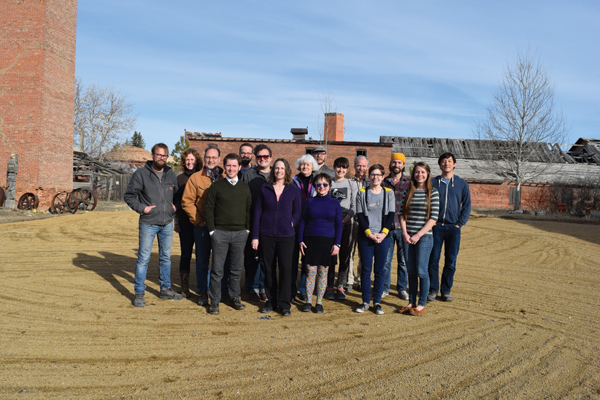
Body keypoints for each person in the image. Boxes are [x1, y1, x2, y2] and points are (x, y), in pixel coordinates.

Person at [124, 143, 183, 307]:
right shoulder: (141, 174)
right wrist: (142, 208)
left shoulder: (171, 174)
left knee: (165, 258)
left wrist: (175, 207)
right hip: (148, 223)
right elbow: (129, 196)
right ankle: (139, 293)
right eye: (159, 155)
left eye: (164, 155)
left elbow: (177, 194)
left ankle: (165, 289)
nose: (161, 158)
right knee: (143, 259)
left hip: (167, 223)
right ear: (152, 155)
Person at [251, 158, 302, 316]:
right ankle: (270, 301)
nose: (279, 171)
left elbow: (298, 210)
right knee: (269, 268)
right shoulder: (265, 188)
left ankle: (284, 303)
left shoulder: (293, 189)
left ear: (286, 170)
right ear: (273, 170)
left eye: (282, 168)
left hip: (287, 236)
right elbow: (258, 212)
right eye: (277, 168)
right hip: (267, 235)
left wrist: (292, 222)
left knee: (286, 269)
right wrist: (255, 236)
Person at [204, 153, 252, 315]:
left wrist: (246, 230)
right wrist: (212, 231)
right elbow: (208, 209)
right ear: (224, 167)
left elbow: (248, 210)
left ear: (239, 167)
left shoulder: (245, 188)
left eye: (234, 166)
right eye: (228, 166)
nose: (231, 169)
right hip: (220, 234)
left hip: (240, 234)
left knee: (236, 269)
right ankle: (215, 301)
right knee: (217, 270)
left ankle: (234, 296)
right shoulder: (217, 187)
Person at [181, 145, 223, 307]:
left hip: (221, 227)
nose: (211, 160)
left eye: (214, 157)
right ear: (204, 159)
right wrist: (198, 220)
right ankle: (203, 292)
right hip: (202, 227)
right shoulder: (195, 178)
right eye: (208, 157)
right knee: (202, 262)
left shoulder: (226, 176)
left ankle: (219, 291)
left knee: (220, 262)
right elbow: (187, 201)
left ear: (219, 159)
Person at [427, 153, 470, 302]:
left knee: (451, 261)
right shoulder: (432, 183)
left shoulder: (461, 183)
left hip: (453, 228)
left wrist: (460, 223)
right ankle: (432, 290)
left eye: (449, 161)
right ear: (439, 165)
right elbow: (426, 204)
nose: (447, 164)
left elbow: (467, 205)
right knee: (433, 259)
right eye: (444, 161)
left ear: (454, 164)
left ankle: (445, 290)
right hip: (435, 227)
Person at [399, 162, 440, 316]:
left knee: (422, 271)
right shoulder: (408, 192)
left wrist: (418, 235)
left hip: (424, 238)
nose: (420, 175)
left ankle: (421, 304)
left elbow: (433, 218)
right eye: (417, 172)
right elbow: (402, 215)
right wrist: (405, 233)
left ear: (428, 174)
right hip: (407, 237)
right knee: (410, 271)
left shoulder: (433, 193)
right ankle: (411, 302)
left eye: (423, 172)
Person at [298, 173, 342, 313]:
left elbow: (339, 225)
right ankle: (308, 301)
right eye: (318, 184)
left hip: (328, 242)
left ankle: (319, 302)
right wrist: (300, 240)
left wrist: (337, 244)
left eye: (325, 184)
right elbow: (303, 221)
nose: (321, 187)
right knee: (311, 272)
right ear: (315, 186)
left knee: (323, 273)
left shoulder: (335, 203)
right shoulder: (309, 202)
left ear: (329, 186)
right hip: (310, 240)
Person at [354, 164, 395, 315]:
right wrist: (369, 233)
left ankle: (377, 302)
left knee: (379, 270)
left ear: (383, 176)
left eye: (378, 175)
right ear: (369, 176)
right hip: (366, 237)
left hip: (383, 237)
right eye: (373, 174)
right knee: (365, 270)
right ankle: (365, 301)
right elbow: (359, 215)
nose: (375, 177)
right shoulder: (362, 193)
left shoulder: (389, 193)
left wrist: (383, 233)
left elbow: (391, 215)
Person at [241, 144, 272, 301]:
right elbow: (243, 199)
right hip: (252, 220)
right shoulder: (248, 175)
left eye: (265, 157)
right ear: (255, 157)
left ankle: (263, 286)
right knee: (251, 256)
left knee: (265, 257)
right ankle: (252, 286)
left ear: (270, 158)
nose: (262, 159)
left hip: (270, 222)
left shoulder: (276, 174)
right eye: (259, 157)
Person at [325, 157, 357, 300]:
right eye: (338, 167)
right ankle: (329, 286)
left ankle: (341, 286)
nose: (340, 170)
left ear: (347, 169)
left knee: (344, 256)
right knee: (331, 256)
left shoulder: (351, 184)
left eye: (344, 168)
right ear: (334, 167)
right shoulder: (328, 182)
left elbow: (354, 206)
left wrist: (344, 221)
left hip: (346, 224)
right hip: (330, 226)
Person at [173, 148, 203, 297]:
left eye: (192, 159)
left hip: (201, 222)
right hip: (185, 222)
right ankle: (184, 286)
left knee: (201, 254)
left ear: (197, 160)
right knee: (186, 254)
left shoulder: (202, 177)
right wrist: (176, 221)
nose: (190, 162)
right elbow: (177, 202)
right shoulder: (179, 179)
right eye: (187, 160)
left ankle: (201, 286)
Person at [382, 153, 411, 300]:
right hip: (386, 228)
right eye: (394, 162)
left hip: (403, 228)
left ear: (403, 165)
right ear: (390, 164)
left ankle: (401, 288)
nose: (396, 165)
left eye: (399, 163)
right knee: (386, 261)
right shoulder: (383, 182)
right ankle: (385, 288)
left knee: (403, 261)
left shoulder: (409, 182)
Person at [291, 154, 318, 300]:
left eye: (308, 165)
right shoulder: (293, 181)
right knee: (292, 257)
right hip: (295, 223)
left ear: (312, 166)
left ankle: (303, 288)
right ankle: (291, 288)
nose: (305, 167)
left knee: (307, 259)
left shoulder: (318, 182)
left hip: (311, 224)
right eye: (303, 164)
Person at [348, 155, 370, 292]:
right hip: (350, 222)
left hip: (365, 224)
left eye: (363, 166)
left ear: (367, 167)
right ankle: (349, 280)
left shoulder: (371, 182)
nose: (361, 168)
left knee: (364, 253)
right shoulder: (348, 182)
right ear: (354, 166)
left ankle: (361, 279)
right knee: (349, 252)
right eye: (358, 165)